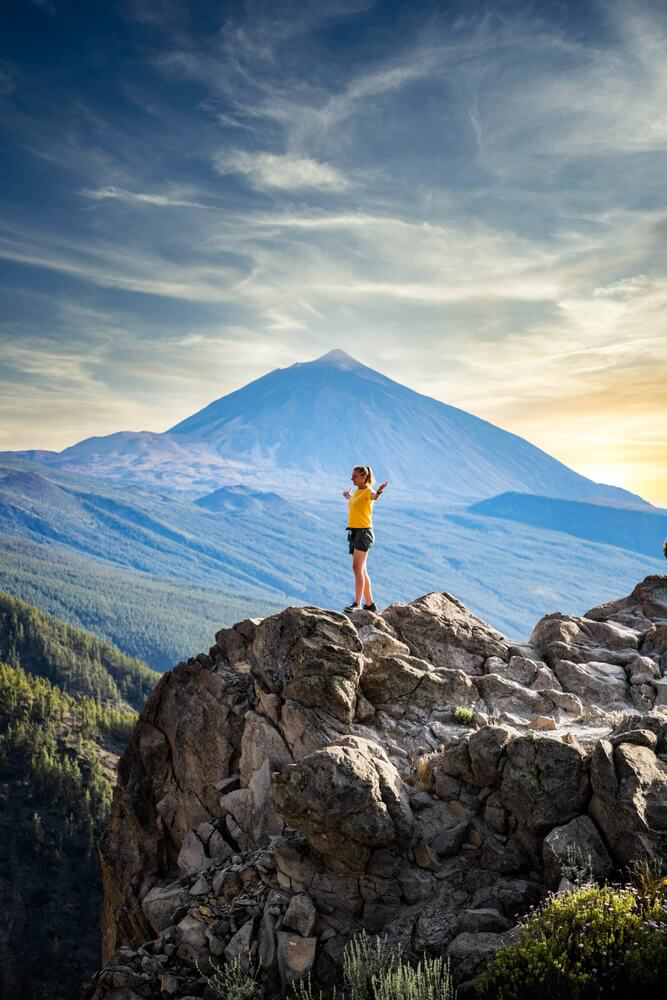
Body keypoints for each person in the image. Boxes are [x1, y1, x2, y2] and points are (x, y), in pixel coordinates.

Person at [342, 465, 388, 612]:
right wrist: (348, 496)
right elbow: (355, 502)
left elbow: (374, 496)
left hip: (363, 533)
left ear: (363, 477)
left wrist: (380, 491)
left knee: (357, 568)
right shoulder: (357, 492)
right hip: (355, 532)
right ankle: (369, 604)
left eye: (355, 476)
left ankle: (357, 603)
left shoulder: (369, 491)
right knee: (362, 570)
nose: (352, 478)